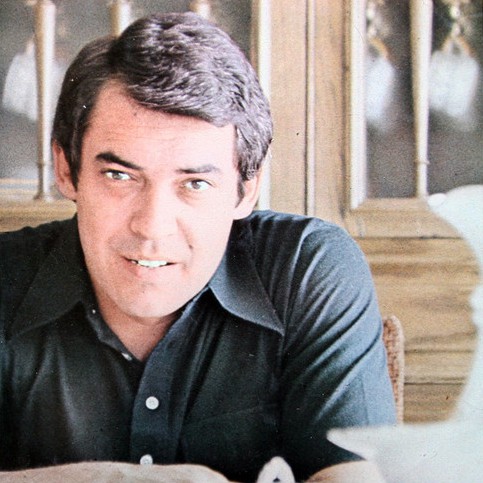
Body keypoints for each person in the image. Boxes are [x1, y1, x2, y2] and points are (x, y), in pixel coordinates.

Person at [0, 12, 395, 482]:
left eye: (195, 184)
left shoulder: (307, 270)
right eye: (120, 176)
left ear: (246, 189)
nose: (152, 226)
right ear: (67, 170)